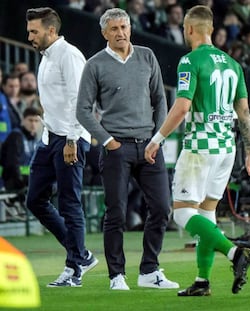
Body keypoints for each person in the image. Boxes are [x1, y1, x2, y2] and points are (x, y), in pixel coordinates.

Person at [144, 5, 250, 296]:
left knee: (182, 214)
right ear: (210, 29)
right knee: (206, 215)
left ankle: (235, 253)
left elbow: (183, 106)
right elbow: (244, 112)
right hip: (227, 149)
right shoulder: (233, 64)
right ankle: (202, 281)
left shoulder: (190, 61)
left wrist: (157, 138)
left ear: (189, 29)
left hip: (200, 148)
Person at [76, 8, 178, 291]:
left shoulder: (147, 56)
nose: (121, 33)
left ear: (130, 28)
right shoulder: (95, 65)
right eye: (114, 29)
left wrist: (157, 138)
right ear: (104, 33)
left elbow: (160, 100)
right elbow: (83, 110)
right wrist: (108, 141)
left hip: (149, 146)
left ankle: (149, 271)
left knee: (161, 209)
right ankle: (116, 275)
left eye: (124, 27)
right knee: (116, 213)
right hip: (116, 148)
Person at [26, 7, 98, 287]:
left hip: (70, 138)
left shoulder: (68, 55)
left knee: (69, 203)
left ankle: (74, 268)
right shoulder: (46, 58)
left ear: (51, 31)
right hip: (50, 138)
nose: (29, 36)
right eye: (29, 30)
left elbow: (79, 100)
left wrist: (71, 139)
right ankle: (81, 254)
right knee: (35, 199)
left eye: (34, 31)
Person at [1, 107, 41, 193]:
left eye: (36, 121)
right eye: (30, 120)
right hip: (13, 184)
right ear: (23, 120)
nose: (33, 124)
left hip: (27, 182)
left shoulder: (35, 140)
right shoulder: (16, 136)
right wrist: (22, 184)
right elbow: (12, 164)